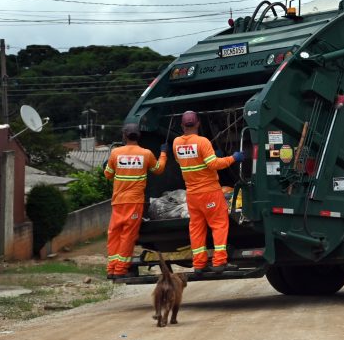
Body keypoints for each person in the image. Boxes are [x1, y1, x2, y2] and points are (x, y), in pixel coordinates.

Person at [172, 110, 244, 273]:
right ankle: (219, 262)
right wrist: (233, 158)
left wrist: (210, 156)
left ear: (182, 125)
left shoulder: (176, 142)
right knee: (219, 225)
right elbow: (213, 165)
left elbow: (184, 160)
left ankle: (199, 264)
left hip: (192, 194)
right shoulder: (203, 142)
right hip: (209, 192)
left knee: (196, 228)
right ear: (198, 123)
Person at [103, 122, 167, 279]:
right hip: (134, 203)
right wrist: (164, 153)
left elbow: (108, 175)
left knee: (114, 234)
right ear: (139, 136)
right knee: (127, 236)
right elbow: (158, 169)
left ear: (124, 136)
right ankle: (120, 269)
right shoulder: (146, 154)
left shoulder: (115, 153)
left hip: (118, 201)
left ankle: (112, 268)